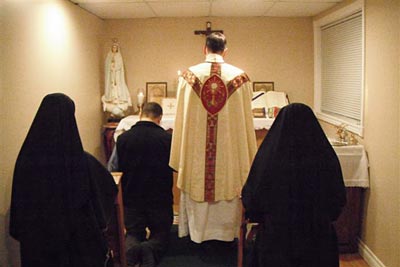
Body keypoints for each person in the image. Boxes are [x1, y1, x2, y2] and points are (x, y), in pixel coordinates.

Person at [9, 93, 118, 267]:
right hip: (78, 248)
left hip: (38, 248)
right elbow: (109, 189)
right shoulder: (83, 162)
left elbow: (19, 209)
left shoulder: (25, 161)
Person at [169, 32, 258, 243]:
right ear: (225, 51)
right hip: (228, 158)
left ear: (204, 49)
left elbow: (180, 120)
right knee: (228, 184)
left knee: (198, 183)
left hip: (197, 158)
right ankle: (227, 235)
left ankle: (198, 234)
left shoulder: (187, 77)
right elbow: (246, 123)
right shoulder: (241, 78)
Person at [241, 103, 347, 267]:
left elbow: (252, 199)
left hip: (275, 242)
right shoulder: (326, 158)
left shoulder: (268, 159)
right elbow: (337, 200)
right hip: (318, 242)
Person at [116, 102, 174, 267]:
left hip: (132, 198)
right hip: (159, 200)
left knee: (133, 233)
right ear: (160, 118)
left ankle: (131, 253)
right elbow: (176, 167)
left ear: (141, 114)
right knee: (161, 234)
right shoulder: (167, 139)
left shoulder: (122, 139)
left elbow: (114, 168)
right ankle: (150, 248)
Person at [102, 42, 132, 118]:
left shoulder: (119, 57)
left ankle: (119, 106)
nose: (114, 49)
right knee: (111, 90)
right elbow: (107, 67)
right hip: (111, 76)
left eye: (116, 47)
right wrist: (111, 67)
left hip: (118, 76)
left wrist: (115, 68)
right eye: (113, 47)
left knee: (119, 88)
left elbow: (120, 67)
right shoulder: (109, 57)